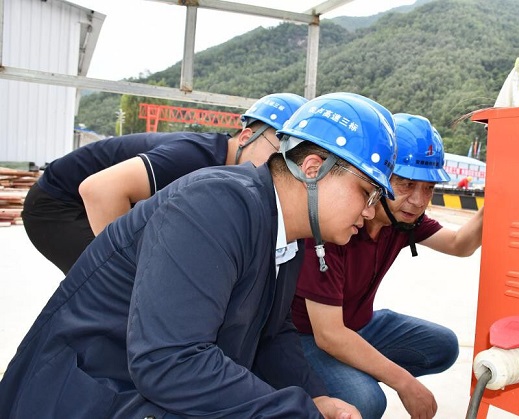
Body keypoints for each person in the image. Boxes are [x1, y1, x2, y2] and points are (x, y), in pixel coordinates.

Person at [0, 93, 397, 418]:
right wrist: (297, 412)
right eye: (367, 192)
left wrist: (315, 396)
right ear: (313, 168)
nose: (369, 212)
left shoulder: (287, 234)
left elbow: (272, 334)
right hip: (86, 395)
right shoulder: (214, 205)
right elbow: (171, 361)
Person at [291, 113, 484, 419]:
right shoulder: (333, 225)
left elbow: (459, 244)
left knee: (444, 347)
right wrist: (404, 382)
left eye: (429, 188)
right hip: (307, 336)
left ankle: (349, 371)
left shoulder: (401, 220)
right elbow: (328, 335)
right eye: (407, 184)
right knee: (367, 401)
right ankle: (311, 388)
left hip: (360, 325)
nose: (418, 201)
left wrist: (499, 197)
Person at [21, 92, 307, 274]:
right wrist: (130, 269)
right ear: (246, 137)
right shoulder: (194, 157)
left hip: (83, 201)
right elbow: (99, 190)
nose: (280, 167)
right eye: (278, 152)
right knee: (118, 292)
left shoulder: (227, 171)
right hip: (59, 205)